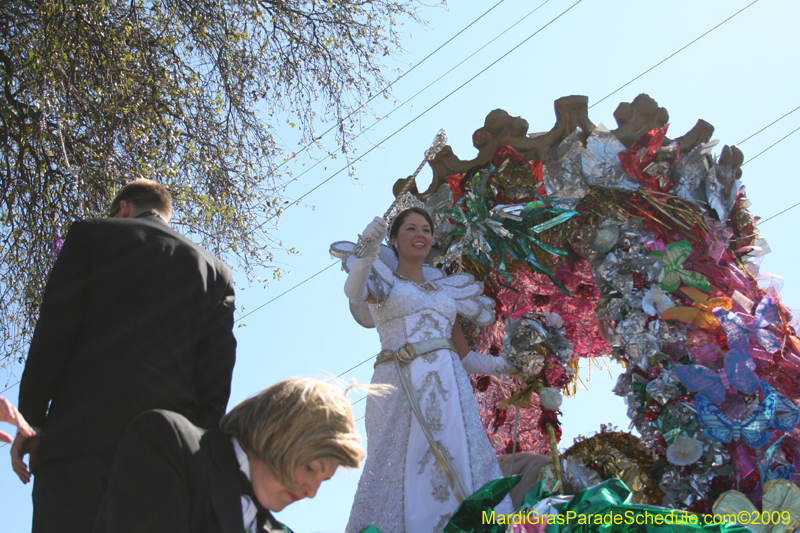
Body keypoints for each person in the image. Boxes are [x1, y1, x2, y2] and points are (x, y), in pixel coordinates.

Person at [13, 179, 237, 533]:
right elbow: (215, 378)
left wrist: (31, 421)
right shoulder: (216, 274)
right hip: (163, 465)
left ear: (123, 208)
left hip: (78, 450)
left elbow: (55, 331)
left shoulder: (91, 235)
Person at [331, 207, 513, 533]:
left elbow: (466, 357)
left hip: (450, 390)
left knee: (462, 455)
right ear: (395, 239)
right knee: (395, 461)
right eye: (411, 229)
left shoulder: (445, 292)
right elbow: (354, 292)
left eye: (426, 229)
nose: (420, 235)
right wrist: (366, 253)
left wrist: (508, 365)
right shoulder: (382, 279)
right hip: (398, 384)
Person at [94, 378, 364, 533]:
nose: (312, 492)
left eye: (323, 481)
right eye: (310, 469)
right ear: (279, 434)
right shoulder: (168, 444)